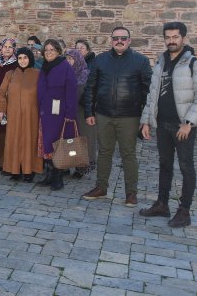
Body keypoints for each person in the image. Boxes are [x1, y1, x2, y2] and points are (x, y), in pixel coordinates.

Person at [139, 22, 197, 227]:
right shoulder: (160, 62)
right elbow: (152, 95)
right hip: (162, 124)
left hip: (183, 126)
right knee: (164, 165)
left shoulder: (195, 64)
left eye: (175, 37)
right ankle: (162, 204)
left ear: (183, 38)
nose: (171, 41)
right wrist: (146, 121)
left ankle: (184, 211)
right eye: (168, 37)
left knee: (185, 166)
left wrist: (189, 122)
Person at [82, 26, 152, 206]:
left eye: (123, 38)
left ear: (129, 41)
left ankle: (131, 193)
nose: (119, 41)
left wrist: (146, 119)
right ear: (111, 40)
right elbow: (91, 87)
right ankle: (101, 187)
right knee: (104, 152)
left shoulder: (141, 61)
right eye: (115, 38)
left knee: (128, 154)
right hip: (103, 115)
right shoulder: (100, 60)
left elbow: (148, 92)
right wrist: (89, 112)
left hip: (129, 116)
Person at [0, 47, 41, 181]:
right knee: (13, 141)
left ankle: (28, 171)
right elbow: (1, 94)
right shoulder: (10, 74)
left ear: (30, 58)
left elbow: (43, 95)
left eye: (25, 57)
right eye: (20, 58)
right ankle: (14, 170)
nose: (22, 60)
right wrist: (1, 110)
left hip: (31, 115)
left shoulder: (38, 74)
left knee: (29, 141)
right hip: (13, 115)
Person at [36, 40, 77, 190]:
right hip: (45, 112)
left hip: (59, 114)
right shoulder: (44, 67)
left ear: (59, 51)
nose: (48, 52)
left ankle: (58, 178)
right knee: (46, 144)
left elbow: (71, 91)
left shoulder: (65, 67)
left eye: (52, 49)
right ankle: (49, 175)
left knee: (58, 144)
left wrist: (70, 113)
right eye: (46, 50)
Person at [0, 38, 20, 171]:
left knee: (9, 134)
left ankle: (10, 163)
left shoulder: (15, 65)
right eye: (4, 46)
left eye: (9, 47)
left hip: (9, 104)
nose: (6, 49)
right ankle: (2, 162)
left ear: (14, 49)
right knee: (0, 135)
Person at [65, 48, 92, 177]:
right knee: (69, 140)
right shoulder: (65, 73)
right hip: (68, 111)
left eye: (71, 58)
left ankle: (81, 167)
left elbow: (90, 94)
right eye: (67, 58)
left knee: (81, 139)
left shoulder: (85, 74)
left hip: (81, 112)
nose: (68, 61)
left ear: (78, 60)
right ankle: (67, 164)